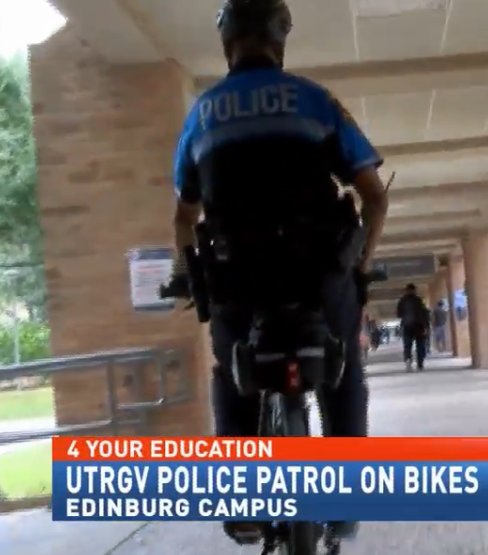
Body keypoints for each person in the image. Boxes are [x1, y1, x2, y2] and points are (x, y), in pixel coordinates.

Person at [167, 0, 388, 544]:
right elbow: (374, 198)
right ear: (279, 41)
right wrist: (359, 268)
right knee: (344, 375)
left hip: (237, 281)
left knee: (231, 374)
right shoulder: (315, 101)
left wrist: (192, 279)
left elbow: (183, 216)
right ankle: (346, 499)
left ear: (227, 46)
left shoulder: (202, 114)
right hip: (318, 275)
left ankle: (243, 504)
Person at [396, 284, 428, 371]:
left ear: (406, 290)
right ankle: (420, 364)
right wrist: (425, 326)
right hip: (418, 325)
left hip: (407, 325)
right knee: (420, 345)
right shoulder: (419, 300)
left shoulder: (402, 301)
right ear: (414, 290)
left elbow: (399, 314)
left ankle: (408, 362)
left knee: (407, 345)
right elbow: (423, 313)